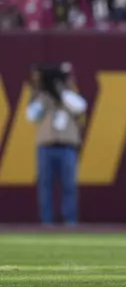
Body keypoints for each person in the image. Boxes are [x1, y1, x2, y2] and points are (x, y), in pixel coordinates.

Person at [26, 63, 87, 226]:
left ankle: (70, 222)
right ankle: (47, 223)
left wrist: (60, 91)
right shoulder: (42, 97)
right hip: (46, 147)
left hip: (67, 147)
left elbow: (80, 106)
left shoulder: (68, 96)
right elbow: (31, 116)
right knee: (45, 186)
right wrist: (45, 95)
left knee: (69, 186)